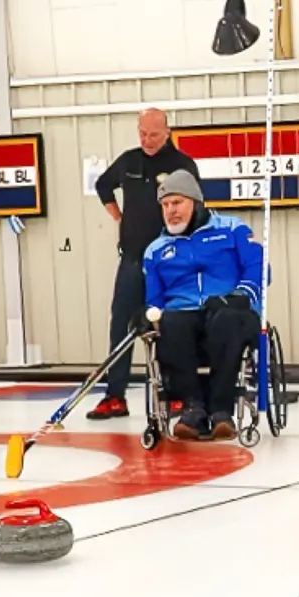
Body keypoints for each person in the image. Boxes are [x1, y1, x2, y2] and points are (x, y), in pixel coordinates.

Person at [87, 108, 201, 420]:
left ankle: (175, 393)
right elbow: (102, 186)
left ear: (167, 132)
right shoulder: (129, 160)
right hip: (133, 259)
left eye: (153, 134)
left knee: (170, 326)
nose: (147, 140)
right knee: (121, 325)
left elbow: (196, 208)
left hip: (170, 263)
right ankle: (114, 396)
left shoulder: (182, 165)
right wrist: (118, 218)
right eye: (142, 133)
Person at [144, 170, 263, 441]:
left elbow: (258, 267)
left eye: (177, 203)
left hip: (229, 309)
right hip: (183, 316)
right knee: (169, 322)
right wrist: (146, 314)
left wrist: (242, 294)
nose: (170, 211)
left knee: (226, 319)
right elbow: (154, 299)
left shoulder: (233, 229)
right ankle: (192, 409)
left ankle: (221, 411)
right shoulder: (155, 249)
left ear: (196, 202)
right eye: (165, 205)